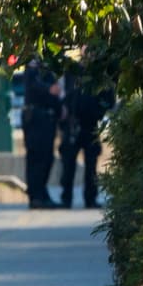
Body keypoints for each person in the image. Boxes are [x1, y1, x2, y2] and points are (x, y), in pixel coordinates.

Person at [58, 65, 115, 208]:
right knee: (68, 164)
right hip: (72, 124)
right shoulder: (71, 70)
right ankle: (66, 198)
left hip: (90, 124)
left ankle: (90, 198)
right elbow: (62, 93)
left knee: (91, 165)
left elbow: (109, 99)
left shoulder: (99, 72)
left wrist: (99, 110)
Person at [21, 58, 61, 208]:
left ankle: (42, 193)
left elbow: (55, 91)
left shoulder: (50, 66)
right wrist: (48, 89)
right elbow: (34, 84)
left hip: (48, 119)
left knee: (47, 158)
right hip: (36, 119)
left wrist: (60, 109)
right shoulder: (32, 66)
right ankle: (36, 195)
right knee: (36, 158)